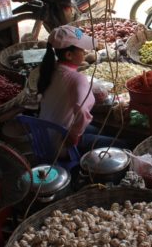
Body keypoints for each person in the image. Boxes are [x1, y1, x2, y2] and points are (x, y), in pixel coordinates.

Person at [37, 26, 126, 155]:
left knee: (98, 130)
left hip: (44, 136)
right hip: (61, 144)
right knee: (123, 144)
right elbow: (83, 112)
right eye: (81, 49)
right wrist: (74, 136)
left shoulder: (49, 69)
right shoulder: (77, 78)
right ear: (69, 55)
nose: (84, 52)